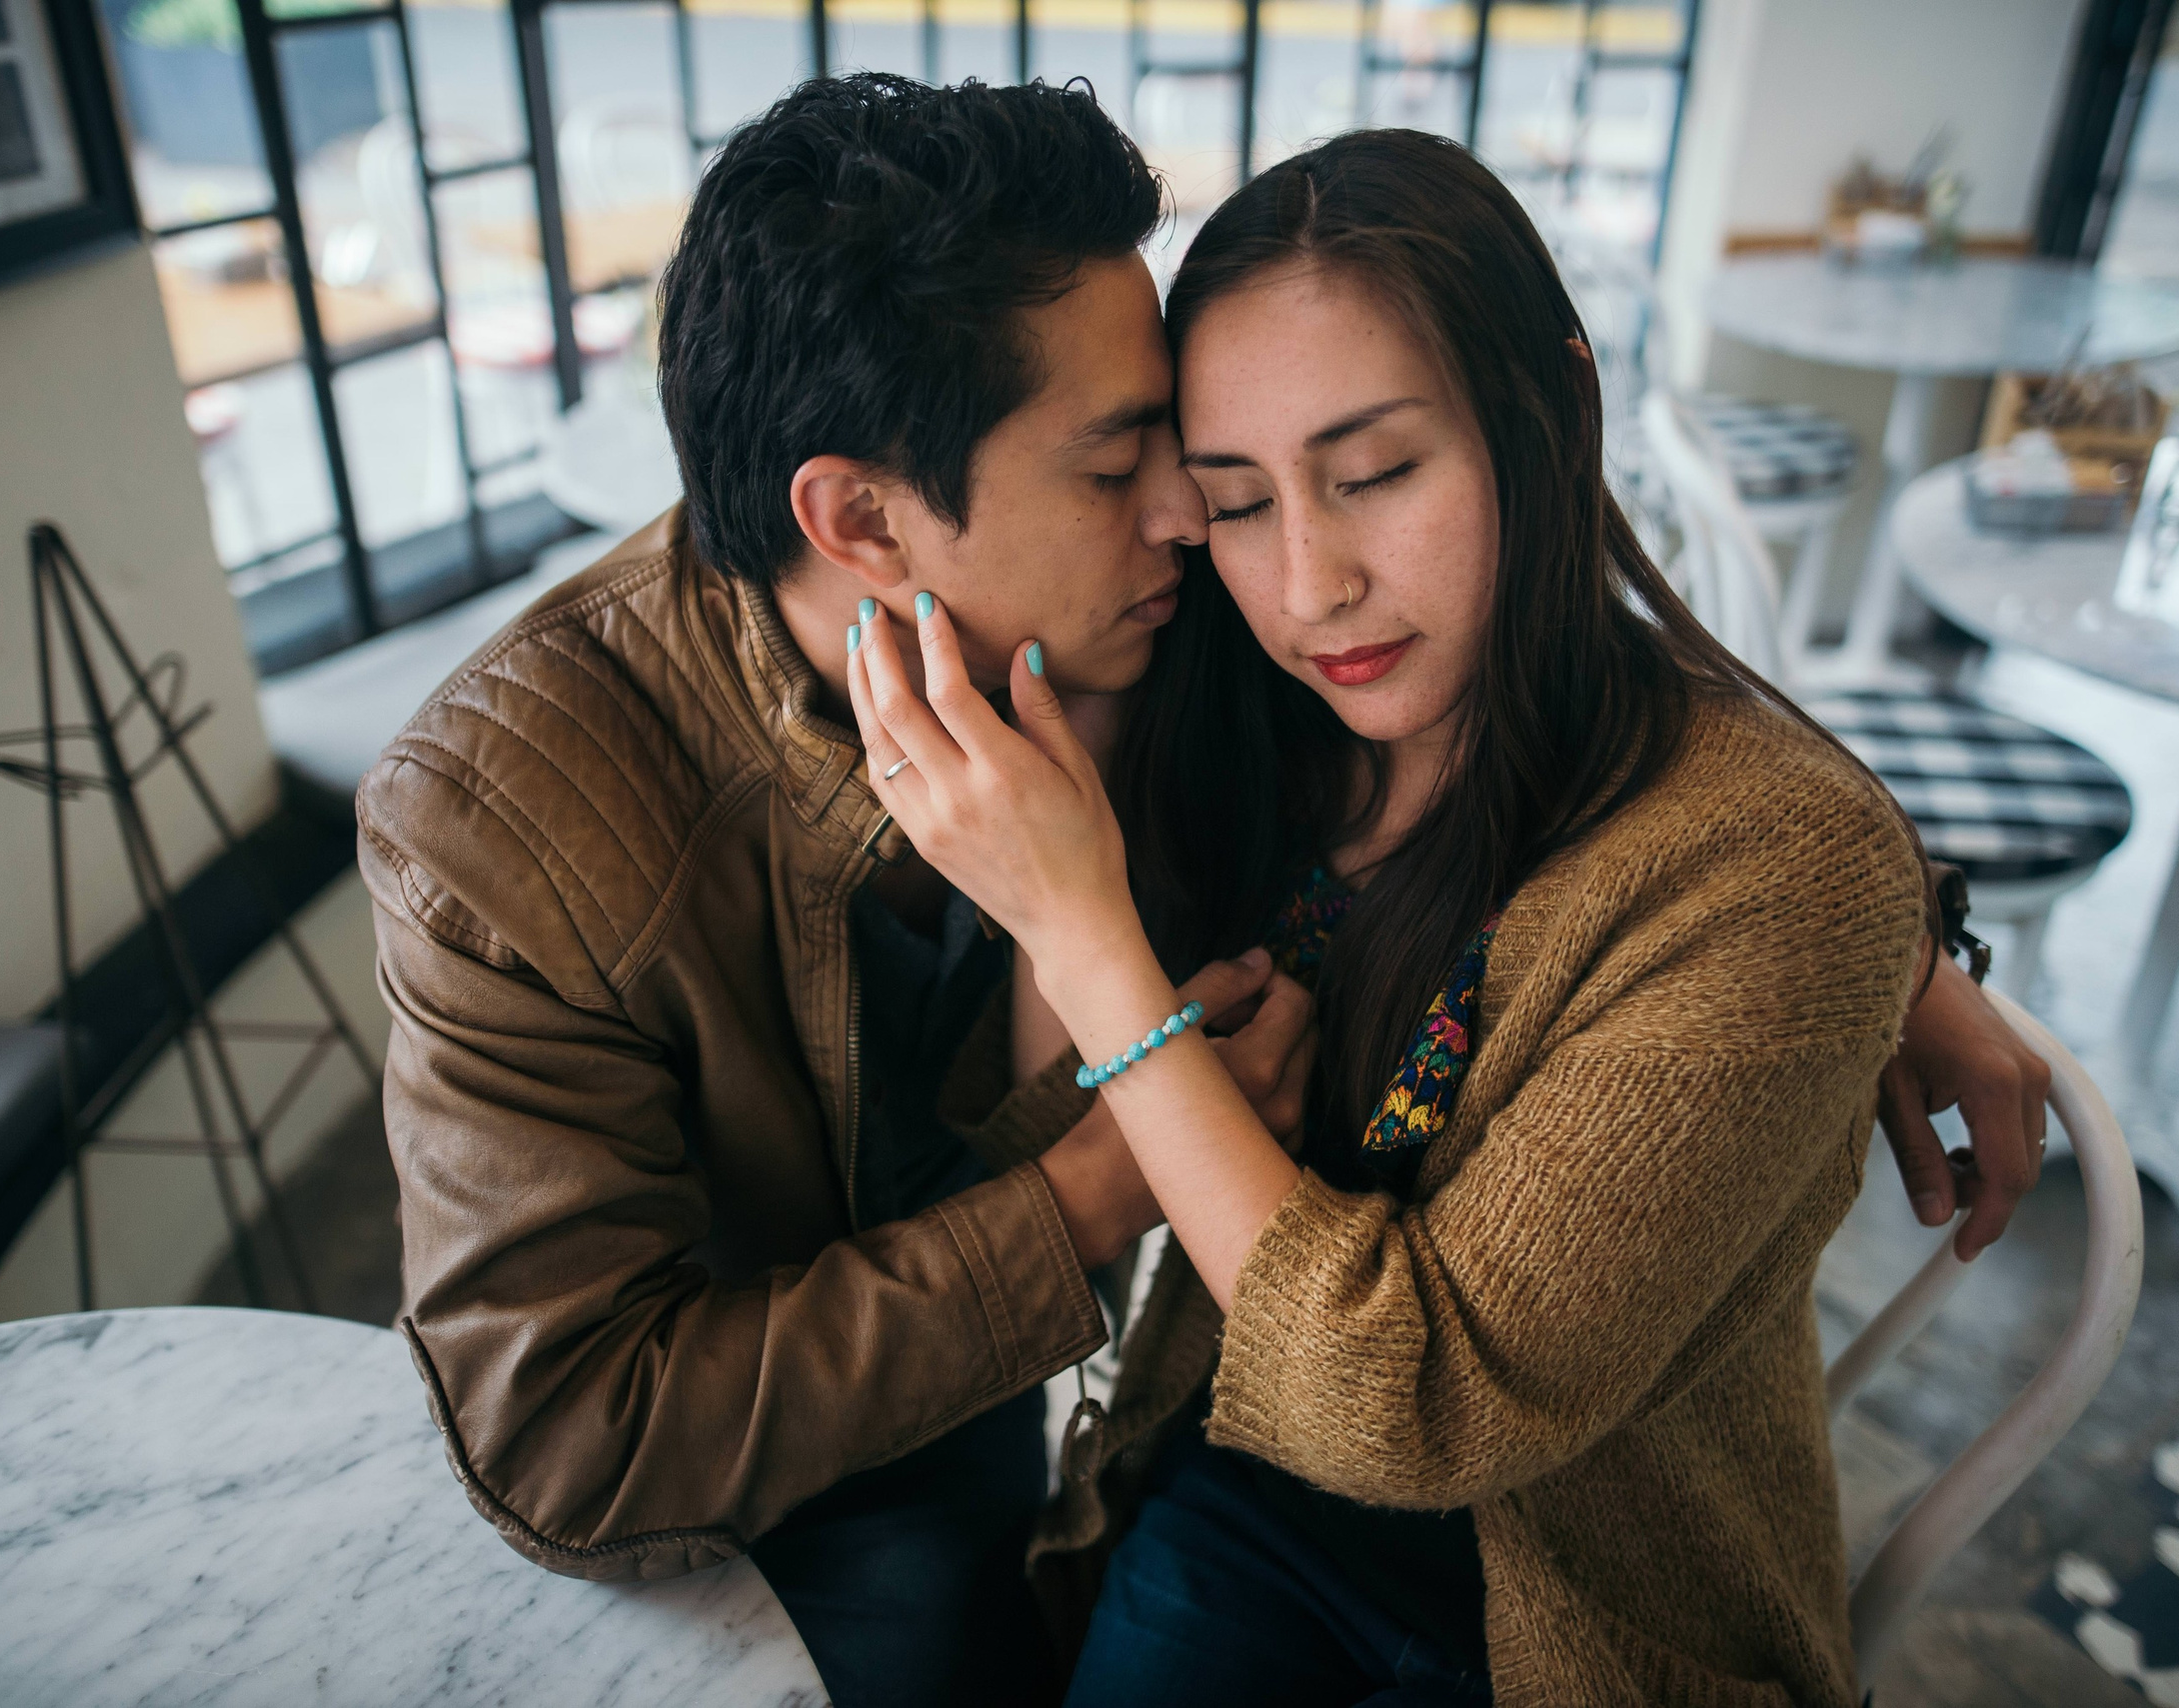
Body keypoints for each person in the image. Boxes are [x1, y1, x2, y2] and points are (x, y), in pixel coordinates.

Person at [360, 75, 2042, 1708]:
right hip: (849, 1480)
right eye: (1159, 476)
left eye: (1355, 471)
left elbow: (1683, 796)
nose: (1225, 539)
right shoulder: (506, 827)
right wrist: (1094, 1173)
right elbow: (574, 1446)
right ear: (861, 519)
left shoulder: (1192, 633)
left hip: (1515, 1571)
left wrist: (1891, 933)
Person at [836, 129, 2005, 1707]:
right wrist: (1078, 806)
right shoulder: (1260, 719)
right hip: (1243, 1513)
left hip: (1592, 1637)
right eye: (1236, 501)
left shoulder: (1774, 864)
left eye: (1376, 472)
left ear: (1554, 407)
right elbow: (1019, 1113)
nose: (1310, 583)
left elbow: (1417, 1410)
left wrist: (1089, 938)